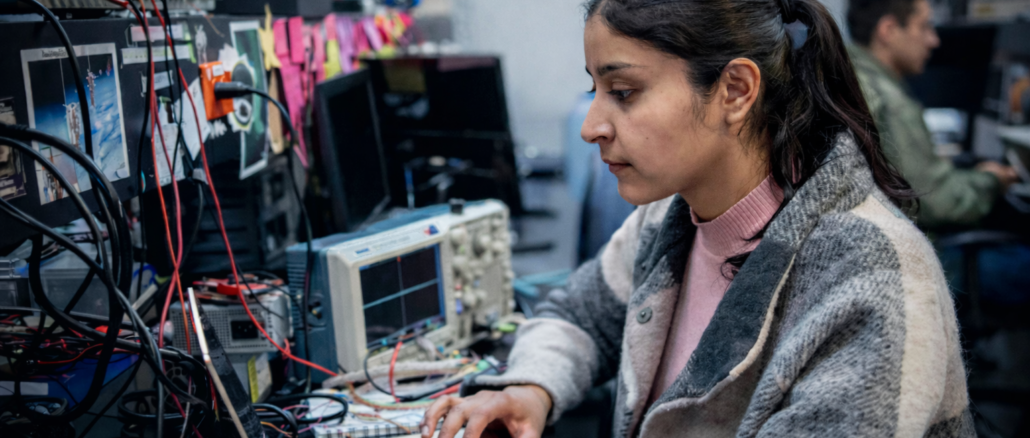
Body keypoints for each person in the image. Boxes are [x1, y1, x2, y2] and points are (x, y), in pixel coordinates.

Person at [422, 0, 974, 437]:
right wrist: (532, 389)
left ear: (735, 90)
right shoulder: (671, 218)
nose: (592, 126)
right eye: (596, 89)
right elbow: (580, 313)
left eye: (623, 91)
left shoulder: (875, 278)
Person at [848, 0, 1019, 230]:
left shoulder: (844, 72)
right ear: (888, 30)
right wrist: (992, 180)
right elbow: (938, 203)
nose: (934, 40)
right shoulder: (890, 102)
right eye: (924, 27)